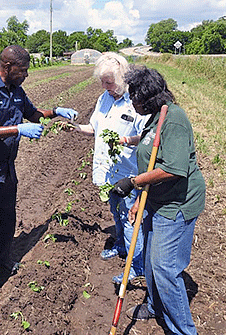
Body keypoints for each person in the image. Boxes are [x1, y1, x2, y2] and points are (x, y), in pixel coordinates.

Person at [0, 45, 77, 306]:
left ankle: (2, 260)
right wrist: (17, 130)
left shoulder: (16, 90)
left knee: (6, 218)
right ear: (8, 67)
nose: (25, 75)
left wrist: (55, 112)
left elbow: (33, 114)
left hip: (6, 167)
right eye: (22, 71)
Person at [112, 65, 205, 335]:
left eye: (133, 97)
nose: (131, 101)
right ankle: (155, 306)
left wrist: (133, 183)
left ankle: (183, 331)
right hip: (156, 201)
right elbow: (149, 158)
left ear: (147, 97)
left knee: (165, 268)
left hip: (177, 204)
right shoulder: (155, 118)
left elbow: (173, 168)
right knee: (152, 263)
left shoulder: (174, 118)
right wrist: (141, 199)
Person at [72, 52, 148, 284]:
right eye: (102, 82)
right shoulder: (104, 98)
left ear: (123, 78)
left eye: (109, 82)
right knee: (116, 212)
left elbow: (146, 137)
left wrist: (125, 141)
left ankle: (137, 267)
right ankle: (120, 246)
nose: (105, 86)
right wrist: (74, 127)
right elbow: (94, 128)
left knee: (130, 220)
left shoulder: (136, 103)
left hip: (128, 172)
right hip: (107, 171)